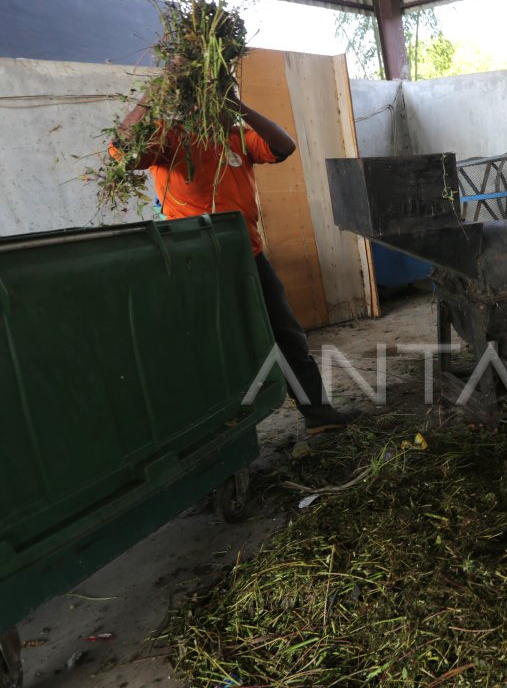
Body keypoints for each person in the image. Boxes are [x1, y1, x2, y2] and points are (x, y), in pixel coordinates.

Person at [111, 94, 360, 434]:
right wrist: (153, 97)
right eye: (199, 98)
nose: (206, 105)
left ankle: (317, 412)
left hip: (249, 256)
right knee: (213, 345)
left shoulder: (237, 136)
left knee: (286, 335)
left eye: (214, 98)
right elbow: (123, 149)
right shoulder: (167, 137)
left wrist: (239, 107)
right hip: (194, 262)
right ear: (184, 101)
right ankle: (221, 431)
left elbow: (283, 146)